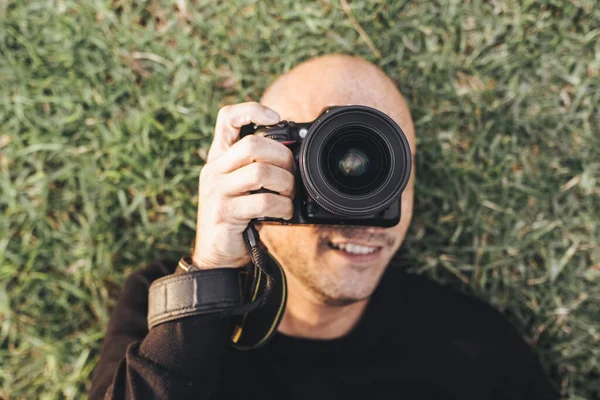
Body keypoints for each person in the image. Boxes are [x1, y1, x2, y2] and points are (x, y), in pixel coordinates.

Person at [89, 55, 559, 399]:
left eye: (389, 170)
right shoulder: (166, 308)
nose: (361, 214)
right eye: (327, 166)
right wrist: (207, 277)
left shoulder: (476, 350)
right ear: (257, 168)